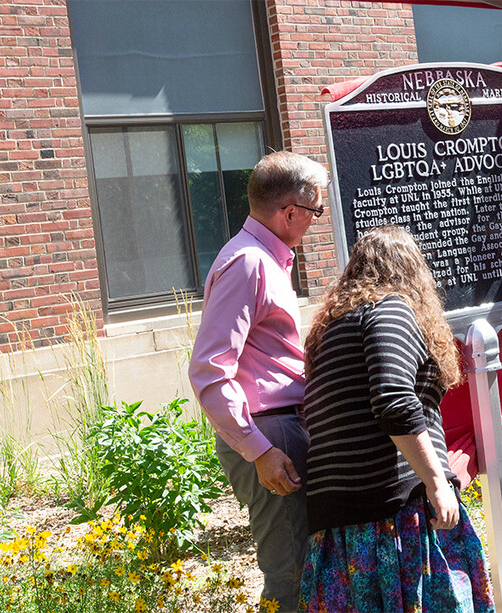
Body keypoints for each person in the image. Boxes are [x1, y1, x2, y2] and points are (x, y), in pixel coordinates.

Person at [298, 225, 493, 612]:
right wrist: (437, 481)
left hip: (341, 523)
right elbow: (393, 403)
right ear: (411, 270)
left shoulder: (333, 327)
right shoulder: (389, 309)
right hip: (394, 519)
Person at [189, 151, 328, 612]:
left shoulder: (264, 260)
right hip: (270, 432)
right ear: (290, 212)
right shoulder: (248, 263)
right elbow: (210, 370)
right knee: (291, 575)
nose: (314, 222)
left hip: (280, 429)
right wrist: (260, 451)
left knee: (305, 569)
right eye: (315, 212)